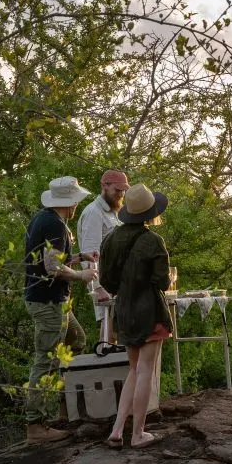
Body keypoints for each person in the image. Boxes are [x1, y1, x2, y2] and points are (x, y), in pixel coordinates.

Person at [23, 176, 98, 444]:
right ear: (70, 201)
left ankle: (65, 406)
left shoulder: (44, 218)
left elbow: (50, 259)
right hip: (48, 301)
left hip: (52, 300)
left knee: (76, 340)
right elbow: (52, 268)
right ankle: (36, 425)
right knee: (46, 359)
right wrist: (82, 276)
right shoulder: (54, 223)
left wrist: (80, 257)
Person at [100, 184, 173, 449]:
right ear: (151, 212)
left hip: (124, 310)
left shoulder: (110, 239)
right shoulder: (153, 241)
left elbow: (107, 282)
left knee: (133, 370)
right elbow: (162, 282)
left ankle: (117, 430)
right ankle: (138, 433)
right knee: (145, 372)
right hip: (148, 311)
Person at [77, 169, 129, 338]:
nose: (121, 194)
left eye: (123, 190)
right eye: (117, 189)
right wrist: (97, 288)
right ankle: (107, 362)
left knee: (118, 329)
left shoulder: (116, 212)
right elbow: (88, 256)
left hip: (118, 282)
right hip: (104, 283)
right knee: (109, 331)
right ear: (105, 186)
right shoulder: (94, 213)